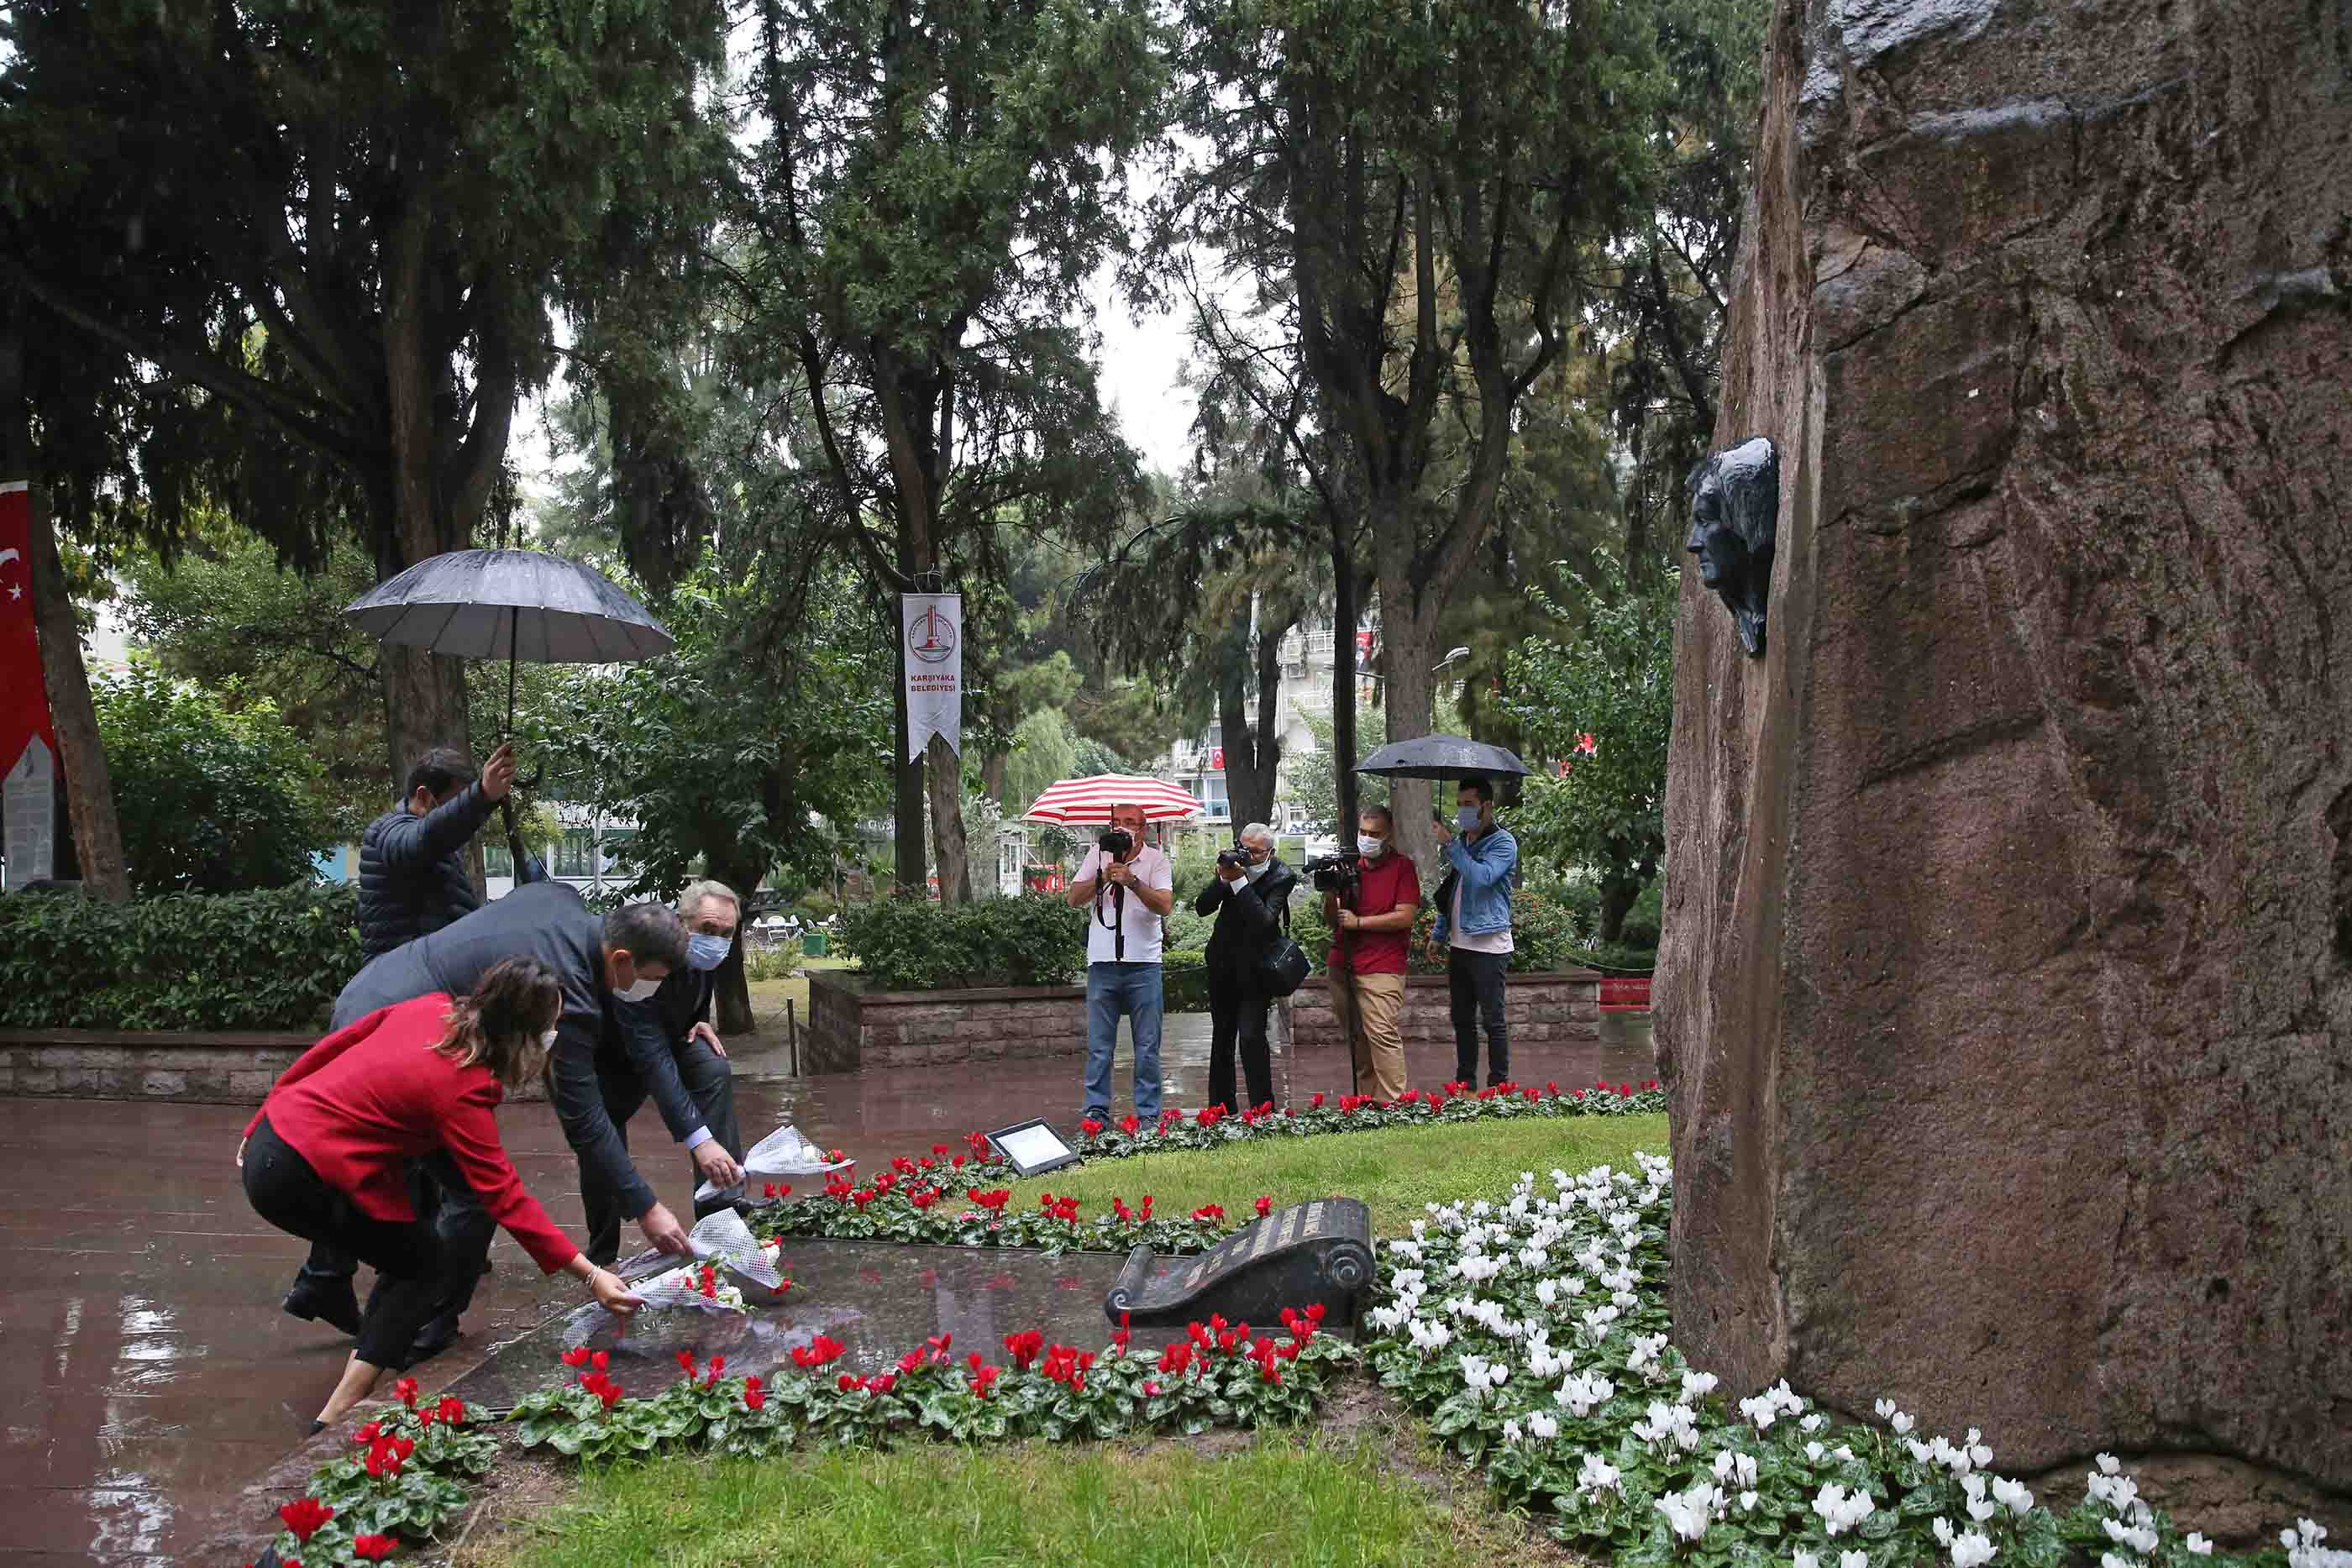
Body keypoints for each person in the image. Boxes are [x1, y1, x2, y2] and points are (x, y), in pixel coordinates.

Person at [279, 883, 739, 1342]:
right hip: (400, 1029)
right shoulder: (568, 997)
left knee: (402, 1171)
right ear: (621, 960)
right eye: (651, 981)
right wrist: (647, 1208)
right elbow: (585, 1121)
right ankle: (423, 1326)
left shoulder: (562, 903)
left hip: (374, 990)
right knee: (470, 1192)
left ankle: (325, 1280)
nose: (649, 992)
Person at [238, 959, 643, 1429]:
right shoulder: (463, 1089)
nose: (556, 1037)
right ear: (521, 1034)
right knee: (421, 1263)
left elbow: (329, 1050)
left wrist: (259, 1121)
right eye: (550, 1028)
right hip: (295, 1177)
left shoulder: (432, 1009)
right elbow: (505, 1196)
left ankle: (357, 1327)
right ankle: (339, 1412)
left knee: (419, 1230)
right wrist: (591, 1275)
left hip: (275, 1137)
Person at [618, 878, 748, 1232]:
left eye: (726, 932)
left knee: (713, 1067)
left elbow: (695, 994)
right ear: (681, 923)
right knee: (606, 1124)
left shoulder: (707, 957)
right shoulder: (650, 957)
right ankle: (604, 1249)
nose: (717, 941)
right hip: (622, 1050)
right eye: (708, 929)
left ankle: (721, 1202)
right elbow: (654, 1059)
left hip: (671, 1039)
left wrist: (701, 1020)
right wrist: (698, 1139)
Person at [1066, 803, 1174, 1123]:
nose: (1122, 827)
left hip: (1144, 964)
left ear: (1143, 828)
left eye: (1130, 822)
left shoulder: (1156, 860)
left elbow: (1165, 905)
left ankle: (1148, 1117)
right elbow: (1073, 898)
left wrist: (1133, 882)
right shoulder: (1097, 855)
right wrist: (1103, 878)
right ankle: (1096, 1115)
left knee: (1147, 1046)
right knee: (1100, 1047)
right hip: (1102, 964)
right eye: (1117, 821)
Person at [358, 745, 517, 961]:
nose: (458, 814)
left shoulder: (441, 847)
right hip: (402, 981)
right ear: (423, 796)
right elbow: (419, 841)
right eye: (454, 803)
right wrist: (480, 795)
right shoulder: (387, 832)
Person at [1195, 822, 1299, 1116]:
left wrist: (1240, 882)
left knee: (1252, 1036)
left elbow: (1264, 921)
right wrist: (1222, 879)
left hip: (1256, 968)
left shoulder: (1281, 876)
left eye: (1255, 852)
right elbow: (1202, 907)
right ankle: (1220, 1108)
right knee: (1222, 1036)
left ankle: (1262, 1109)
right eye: (1244, 848)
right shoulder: (1231, 866)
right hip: (1223, 963)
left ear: (1270, 852)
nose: (1248, 856)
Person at [1428, 776, 1519, 1088]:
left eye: (1469, 805)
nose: (1463, 812)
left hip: (1490, 945)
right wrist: (1439, 934)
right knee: (1462, 1018)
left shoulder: (1502, 843)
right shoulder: (1464, 843)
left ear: (1486, 806)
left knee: (1493, 1020)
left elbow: (1483, 877)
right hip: (1460, 944)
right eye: (1459, 805)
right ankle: (1465, 1083)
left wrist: (1451, 845)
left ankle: (1499, 1086)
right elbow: (1453, 892)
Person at [1325, 805, 1419, 1102]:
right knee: (1357, 1039)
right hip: (1343, 963)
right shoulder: (1349, 868)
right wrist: (1330, 893)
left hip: (1383, 966)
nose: (1367, 839)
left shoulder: (1402, 868)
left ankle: (1394, 1104)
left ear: (1388, 835)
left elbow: (1405, 916)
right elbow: (1332, 920)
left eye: (1375, 834)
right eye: (1363, 833)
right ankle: (1367, 1103)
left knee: (1381, 1033)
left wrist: (1360, 922)